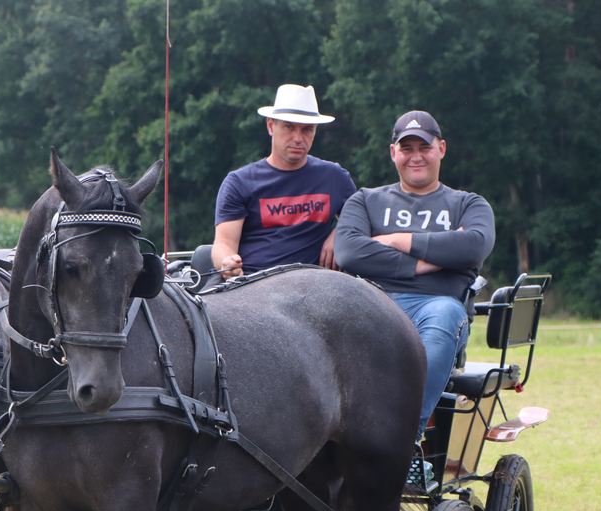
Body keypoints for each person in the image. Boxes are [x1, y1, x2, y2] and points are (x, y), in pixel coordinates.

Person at [335, 110, 496, 428]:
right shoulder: (364, 201)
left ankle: (405, 439)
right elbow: (350, 252)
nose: (416, 157)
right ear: (393, 152)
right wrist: (434, 259)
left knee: (447, 314)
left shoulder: (468, 204)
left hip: (435, 309)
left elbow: (474, 245)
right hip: (369, 305)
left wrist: (395, 239)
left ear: (442, 149)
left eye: (424, 147)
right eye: (407, 148)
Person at [212, 84, 356, 279]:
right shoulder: (239, 182)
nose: (298, 138)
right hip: (253, 283)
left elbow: (362, 217)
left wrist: (341, 232)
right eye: (289, 127)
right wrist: (227, 262)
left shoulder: (335, 177)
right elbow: (224, 243)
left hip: (319, 287)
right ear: (271, 126)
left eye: (307, 129)